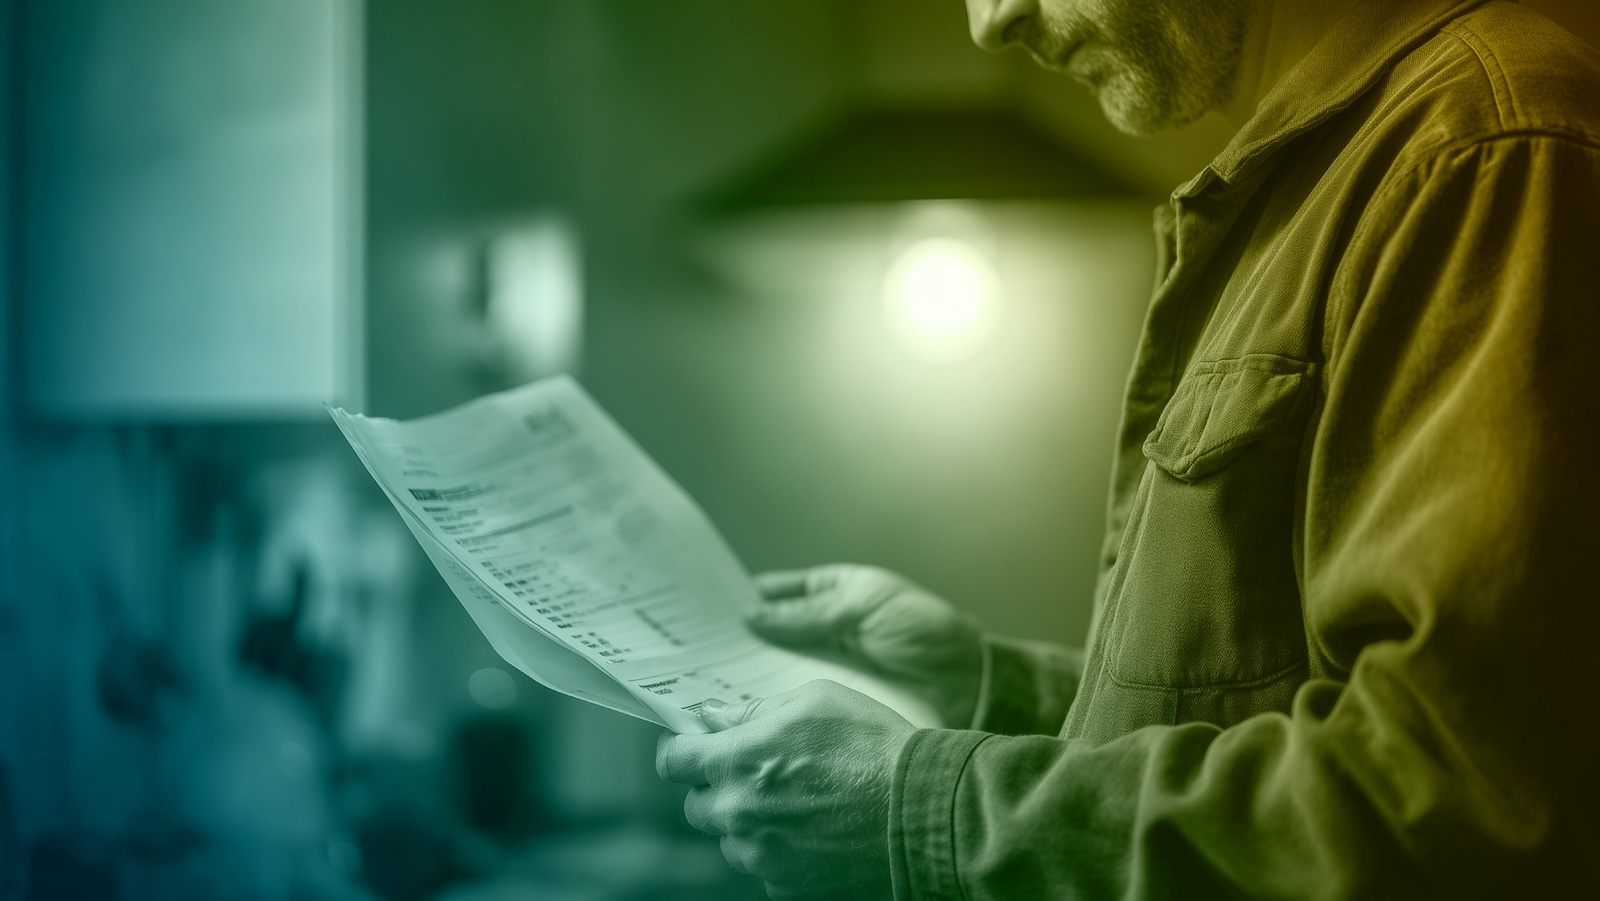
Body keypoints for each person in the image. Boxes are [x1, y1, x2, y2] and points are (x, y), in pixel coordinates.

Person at [655, 0, 1600, 896]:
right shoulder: (1320, 179)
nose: (992, 23)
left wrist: (928, 807)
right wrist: (987, 687)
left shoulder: (1483, 151)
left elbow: (1451, 800)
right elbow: (1274, 709)